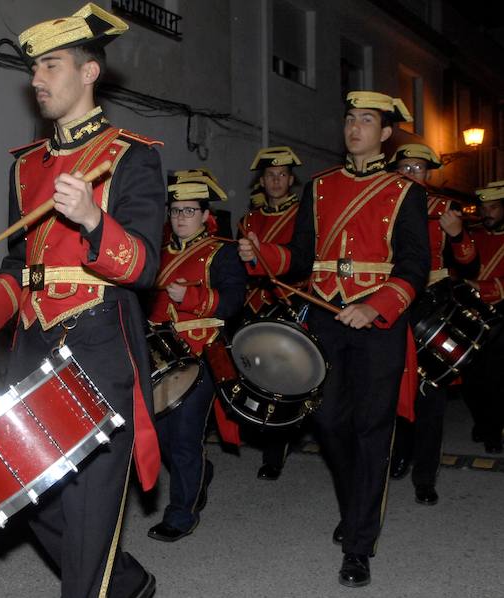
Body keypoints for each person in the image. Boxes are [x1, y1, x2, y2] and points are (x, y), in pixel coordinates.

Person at [0, 4, 163, 596]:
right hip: (33, 349)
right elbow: (19, 268)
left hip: (99, 346)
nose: (36, 79)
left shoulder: (132, 156)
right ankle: (126, 582)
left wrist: (96, 220)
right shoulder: (26, 169)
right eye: (33, 68)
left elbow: (145, 267)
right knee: (29, 501)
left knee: (91, 515)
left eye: (50, 64)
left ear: (89, 72)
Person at [238, 91, 429, 587]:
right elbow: (300, 258)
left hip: (377, 326)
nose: (354, 127)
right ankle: (354, 503)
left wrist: (377, 306)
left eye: (366, 120)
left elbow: (415, 266)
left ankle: (360, 542)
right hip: (325, 318)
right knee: (326, 422)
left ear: (386, 134)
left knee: (371, 430)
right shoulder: (320, 188)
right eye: (349, 119)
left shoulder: (406, 192)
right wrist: (262, 256)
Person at [146, 170, 245, 542]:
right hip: (160, 356)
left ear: (205, 215)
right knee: (159, 434)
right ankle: (199, 474)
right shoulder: (156, 253)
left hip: (202, 354)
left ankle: (182, 514)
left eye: (189, 211)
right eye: (174, 211)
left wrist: (189, 299)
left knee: (185, 436)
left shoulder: (223, 251)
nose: (180, 218)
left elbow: (234, 301)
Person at [386, 144, 478, 504]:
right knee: (392, 387)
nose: (411, 174)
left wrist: (456, 234)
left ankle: (425, 476)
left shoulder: (445, 208)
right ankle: (400, 454)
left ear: (428, 174)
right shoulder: (382, 205)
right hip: (393, 302)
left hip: (432, 307)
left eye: (418, 168)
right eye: (405, 167)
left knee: (430, 396)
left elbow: (470, 264)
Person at [238, 146, 306, 481]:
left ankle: (275, 451)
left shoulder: (305, 214)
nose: (276, 180)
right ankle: (271, 435)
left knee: (285, 379)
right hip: (255, 305)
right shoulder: (249, 219)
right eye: (270, 175)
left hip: (291, 303)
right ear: (261, 180)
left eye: (282, 175)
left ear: (291, 179)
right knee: (258, 378)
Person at [462, 180, 504, 454]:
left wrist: (483, 287)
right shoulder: (473, 235)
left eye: (493, 207)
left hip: (501, 312)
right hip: (471, 311)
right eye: (483, 207)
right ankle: (482, 421)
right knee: (470, 376)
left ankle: (493, 430)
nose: (485, 212)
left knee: (496, 376)